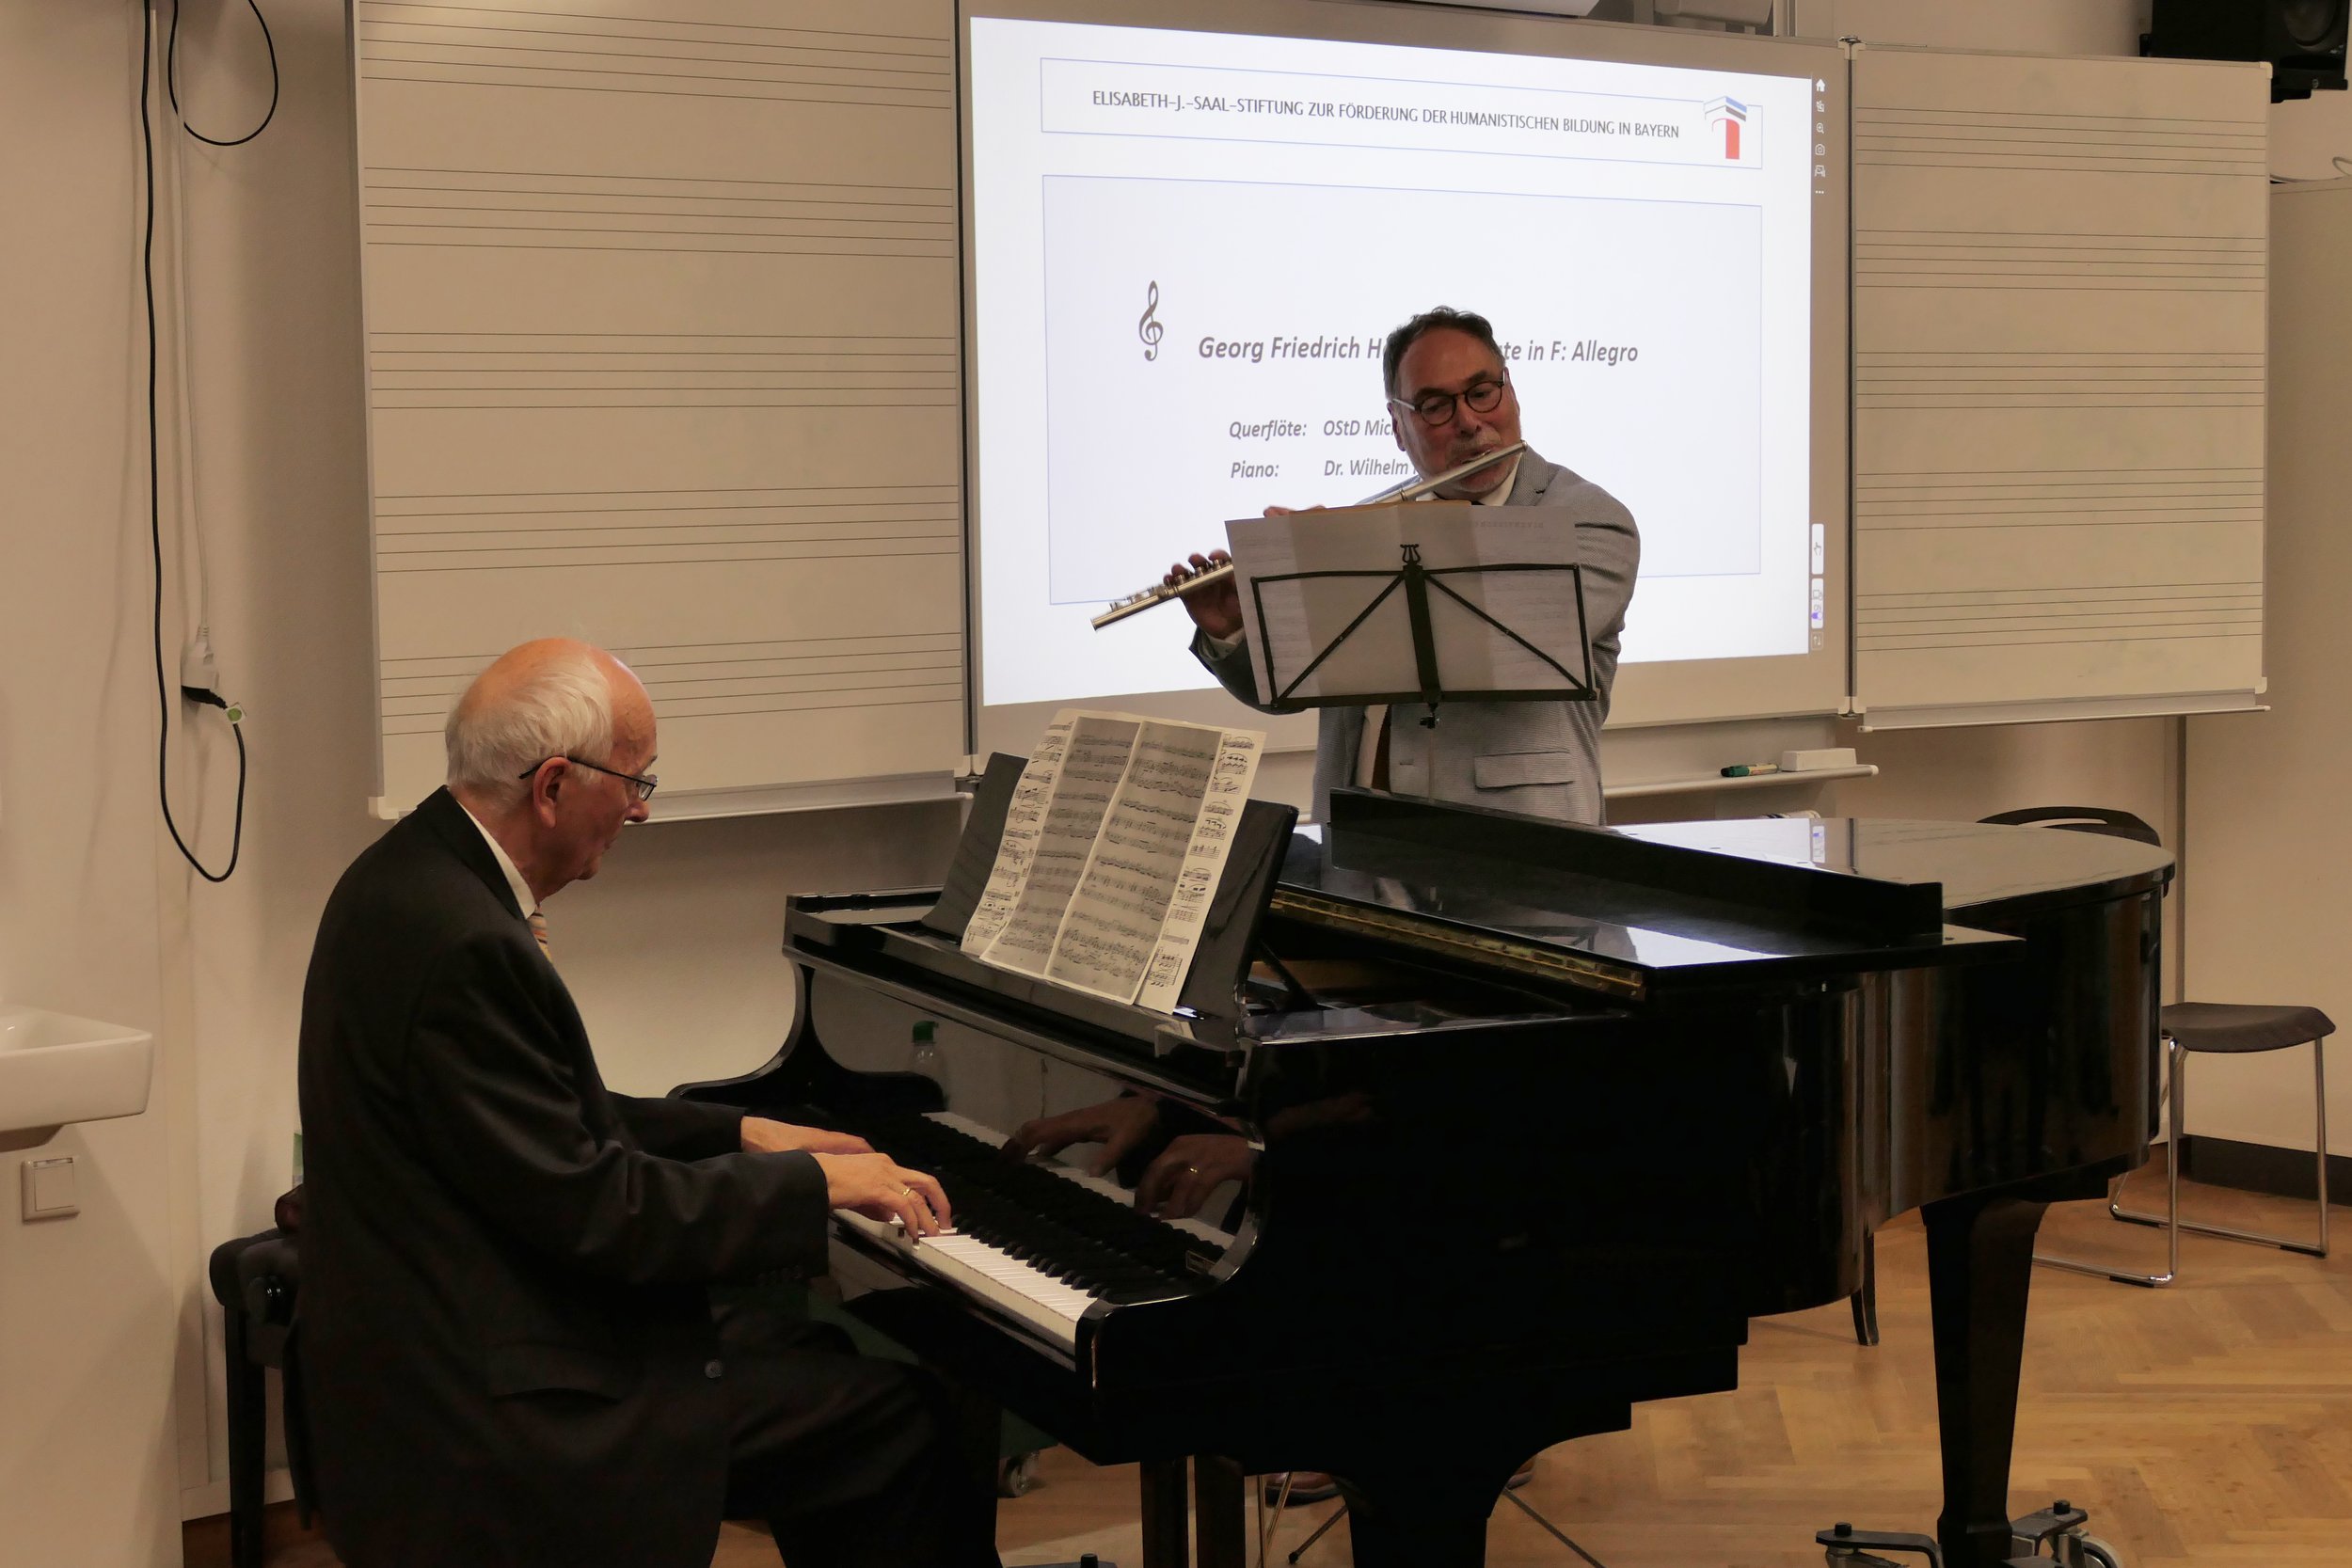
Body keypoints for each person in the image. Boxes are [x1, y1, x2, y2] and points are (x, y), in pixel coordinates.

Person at [295, 638, 1001, 1568]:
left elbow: (540, 1114)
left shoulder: (408, 876)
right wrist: (812, 1184)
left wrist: (743, 1131)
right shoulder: (464, 939)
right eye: (634, 781)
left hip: (448, 1342)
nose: (641, 808)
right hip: (493, 1403)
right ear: (553, 786)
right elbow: (601, 1211)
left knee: (828, 1362)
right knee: (896, 1421)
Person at [1178, 306, 1641, 825]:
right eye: (1435, 406)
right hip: (1358, 842)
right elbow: (1289, 689)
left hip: (1519, 843)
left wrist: (1346, 551)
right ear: (1398, 427)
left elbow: (1506, 639)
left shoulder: (1588, 520)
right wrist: (1234, 632)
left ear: (1511, 392)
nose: (1469, 421)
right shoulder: (1371, 524)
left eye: (1482, 392)